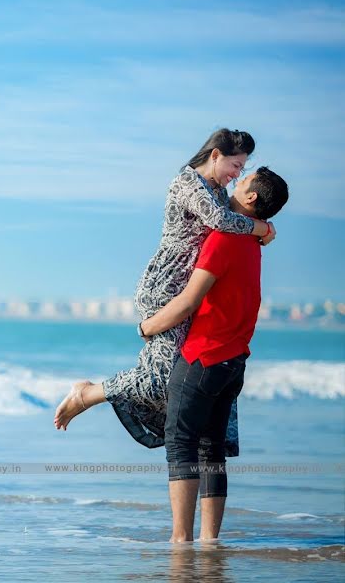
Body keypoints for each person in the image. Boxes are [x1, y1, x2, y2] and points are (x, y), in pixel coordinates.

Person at [53, 129, 275, 461]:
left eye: (242, 169)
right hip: (164, 289)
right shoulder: (187, 184)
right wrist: (263, 228)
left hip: (186, 294)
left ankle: (197, 450)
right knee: (160, 382)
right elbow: (222, 220)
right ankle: (88, 394)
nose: (237, 174)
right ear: (215, 155)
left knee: (174, 381)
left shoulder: (217, 189)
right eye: (235, 165)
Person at [138, 166, 289, 542]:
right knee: (211, 449)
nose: (237, 181)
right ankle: (209, 540)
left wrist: (148, 327)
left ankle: (180, 538)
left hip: (204, 357)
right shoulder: (253, 243)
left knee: (181, 442)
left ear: (251, 197)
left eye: (244, 178)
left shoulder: (225, 238)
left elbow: (189, 301)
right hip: (234, 361)